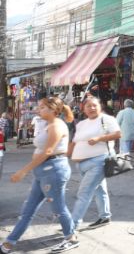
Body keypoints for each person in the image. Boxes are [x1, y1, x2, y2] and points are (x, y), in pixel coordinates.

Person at [1, 97, 79, 254]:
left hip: (53, 170)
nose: (38, 110)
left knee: (58, 208)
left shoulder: (57, 125)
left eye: (42, 107)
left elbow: (48, 151)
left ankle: (71, 237)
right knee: (28, 210)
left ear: (53, 110)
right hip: (43, 171)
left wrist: (23, 171)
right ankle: (9, 244)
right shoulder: (47, 124)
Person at [67, 96, 121, 231]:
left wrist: (99, 138)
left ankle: (72, 225)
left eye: (94, 105)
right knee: (99, 190)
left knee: (84, 193)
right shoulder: (81, 124)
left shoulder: (107, 119)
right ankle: (105, 216)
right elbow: (74, 142)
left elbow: (118, 134)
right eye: (88, 106)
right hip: (81, 164)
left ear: (100, 106)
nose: (91, 108)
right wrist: (64, 156)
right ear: (83, 109)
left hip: (99, 161)